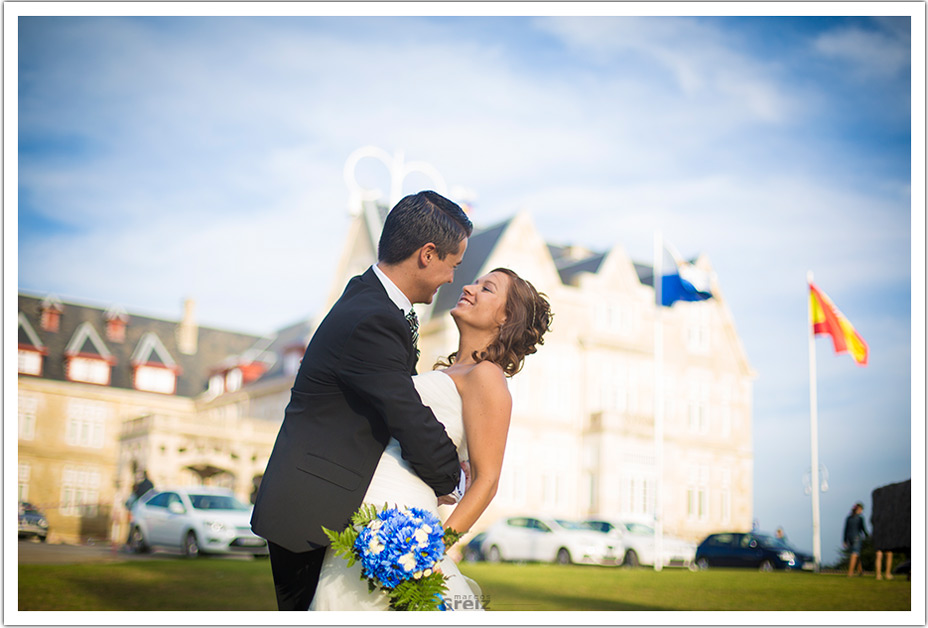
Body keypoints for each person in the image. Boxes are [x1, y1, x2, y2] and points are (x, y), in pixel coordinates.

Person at [251, 191, 473, 611]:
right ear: (428, 254)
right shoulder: (374, 317)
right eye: (452, 265)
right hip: (310, 513)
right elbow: (406, 412)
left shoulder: (368, 299)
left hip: (318, 505)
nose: (451, 279)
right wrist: (451, 476)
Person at [309, 267, 552, 610]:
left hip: (404, 524)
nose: (468, 287)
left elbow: (487, 480)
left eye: (486, 288)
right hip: (367, 512)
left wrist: (432, 550)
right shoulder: (445, 372)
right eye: (475, 281)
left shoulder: (487, 377)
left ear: (506, 317)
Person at [843, 502, 868, 577]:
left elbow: (845, 530)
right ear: (859, 509)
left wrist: (844, 540)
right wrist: (867, 536)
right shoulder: (860, 518)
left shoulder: (849, 518)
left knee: (857, 554)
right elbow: (863, 529)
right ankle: (850, 573)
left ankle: (860, 571)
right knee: (854, 554)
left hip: (849, 537)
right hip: (857, 537)